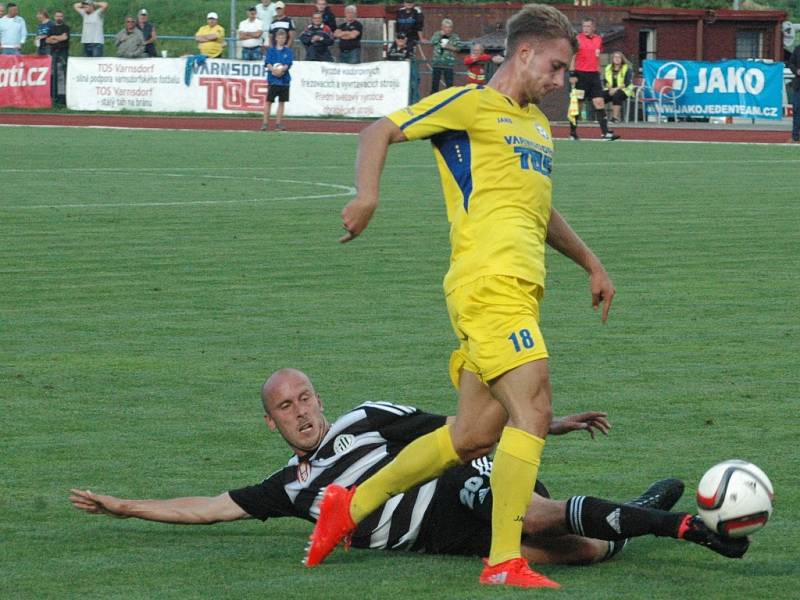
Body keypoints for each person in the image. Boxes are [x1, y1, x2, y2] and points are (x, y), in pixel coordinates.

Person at [307, 4, 618, 589]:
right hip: (487, 285)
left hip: (521, 291)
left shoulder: (538, 127)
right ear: (523, 53)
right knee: (535, 410)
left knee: (472, 434)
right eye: (555, 67)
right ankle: (504, 560)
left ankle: (348, 505)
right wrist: (367, 196)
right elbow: (380, 130)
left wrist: (590, 262)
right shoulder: (469, 104)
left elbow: (537, 208)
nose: (560, 82)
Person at [69, 369, 749, 567]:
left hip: (462, 488)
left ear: (319, 398)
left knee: (528, 514)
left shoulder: (366, 418)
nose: (301, 411)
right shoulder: (290, 487)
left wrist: (548, 422)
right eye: (285, 407)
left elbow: (462, 430)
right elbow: (209, 507)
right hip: (444, 540)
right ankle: (634, 514)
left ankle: (685, 525)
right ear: (271, 423)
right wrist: (127, 505)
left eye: (304, 397)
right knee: (581, 551)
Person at [568, 18, 618, 141]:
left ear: (593, 28)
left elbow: (597, 57)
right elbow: (572, 57)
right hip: (580, 75)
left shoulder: (598, 39)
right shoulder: (577, 39)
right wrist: (572, 74)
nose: (586, 29)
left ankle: (605, 133)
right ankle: (573, 132)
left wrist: (598, 71)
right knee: (578, 105)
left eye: (588, 26)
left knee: (599, 102)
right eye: (584, 26)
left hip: (594, 76)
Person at [261, 28, 292, 132]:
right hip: (273, 80)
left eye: (283, 37)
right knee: (269, 101)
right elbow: (268, 63)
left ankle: (278, 123)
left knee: (282, 102)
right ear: (276, 38)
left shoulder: (288, 51)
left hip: (284, 80)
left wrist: (281, 70)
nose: (281, 39)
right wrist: (273, 70)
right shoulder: (271, 50)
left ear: (285, 39)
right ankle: (265, 123)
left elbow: (288, 64)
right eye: (279, 37)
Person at [429, 19, 461, 94]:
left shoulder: (455, 36)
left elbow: (459, 48)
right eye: (446, 27)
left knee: (449, 85)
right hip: (437, 63)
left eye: (450, 27)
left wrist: (449, 47)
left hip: (448, 64)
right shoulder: (437, 34)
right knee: (435, 84)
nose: (448, 29)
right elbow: (432, 42)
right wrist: (440, 35)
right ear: (442, 27)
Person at [45, 10, 70, 104]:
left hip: (63, 53)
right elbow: (47, 40)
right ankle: (53, 96)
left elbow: (65, 38)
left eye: (60, 16)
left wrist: (54, 38)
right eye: (57, 16)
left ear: (63, 17)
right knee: (53, 75)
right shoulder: (51, 28)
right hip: (53, 54)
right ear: (54, 17)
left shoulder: (66, 27)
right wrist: (57, 38)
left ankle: (62, 98)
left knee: (62, 76)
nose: (59, 18)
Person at [386, 32, 418, 103]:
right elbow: (388, 59)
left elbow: (409, 60)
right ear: (396, 40)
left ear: (405, 40)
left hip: (405, 75)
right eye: (399, 38)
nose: (400, 40)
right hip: (393, 74)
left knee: (412, 86)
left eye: (402, 39)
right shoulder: (392, 49)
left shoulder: (409, 48)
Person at [603, 50, 634, 123]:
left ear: (622, 59)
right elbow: (605, 81)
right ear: (612, 59)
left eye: (619, 57)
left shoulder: (627, 69)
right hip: (611, 89)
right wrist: (610, 89)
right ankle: (602, 117)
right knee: (599, 96)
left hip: (624, 90)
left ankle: (615, 118)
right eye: (615, 57)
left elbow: (627, 83)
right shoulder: (608, 68)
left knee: (617, 95)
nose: (617, 59)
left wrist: (615, 89)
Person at [789, 43, 800, 143]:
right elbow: (791, 63)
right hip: (798, 86)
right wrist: (796, 71)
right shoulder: (798, 49)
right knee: (796, 111)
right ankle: (795, 137)